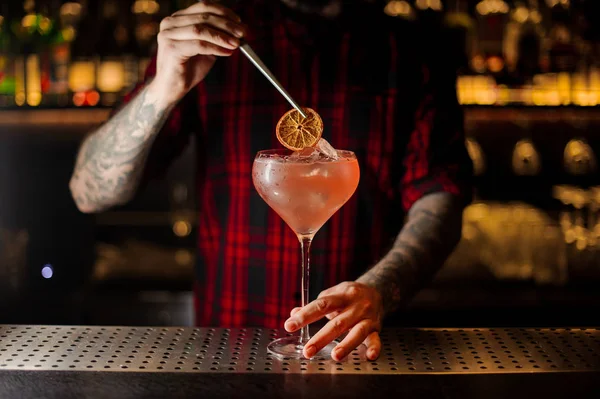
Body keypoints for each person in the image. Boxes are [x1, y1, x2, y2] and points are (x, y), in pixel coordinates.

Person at [69, 0, 472, 362]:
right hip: (226, 352)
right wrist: (164, 87)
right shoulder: (212, 41)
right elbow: (90, 190)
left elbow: (440, 198)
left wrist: (379, 290)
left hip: (359, 348)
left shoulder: (412, 50)